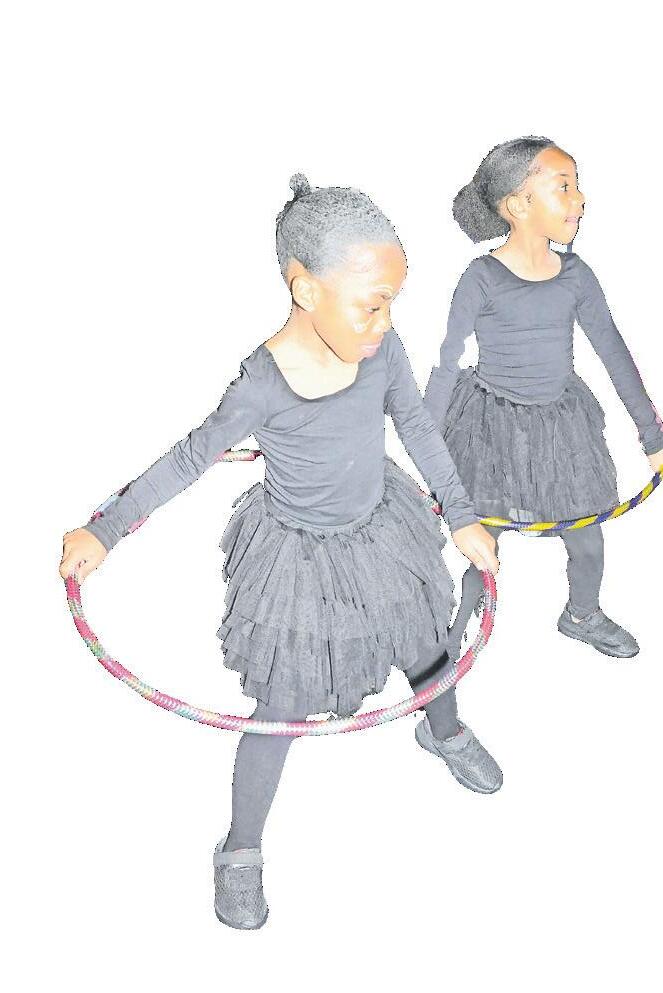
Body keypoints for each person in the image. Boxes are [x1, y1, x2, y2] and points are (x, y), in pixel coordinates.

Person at [59, 174, 499, 930]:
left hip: (381, 532)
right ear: (305, 290)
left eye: (392, 302)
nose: (385, 321)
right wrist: (105, 527)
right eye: (371, 303)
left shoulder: (382, 348)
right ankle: (240, 848)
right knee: (284, 703)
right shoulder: (261, 384)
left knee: (428, 643)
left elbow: (418, 429)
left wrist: (460, 516)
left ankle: (443, 729)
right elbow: (189, 457)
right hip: (300, 560)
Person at [424, 137, 663, 663]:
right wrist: (427, 457)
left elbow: (614, 353)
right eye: (564, 188)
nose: (580, 199)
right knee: (483, 540)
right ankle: (457, 633)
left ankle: (581, 615)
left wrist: (653, 436)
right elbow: (445, 365)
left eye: (576, 187)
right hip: (491, 428)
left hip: (560, 426)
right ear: (518, 204)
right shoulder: (481, 278)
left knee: (587, 541)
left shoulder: (576, 275)